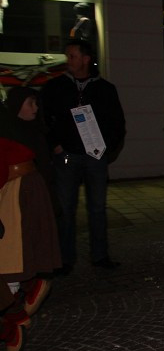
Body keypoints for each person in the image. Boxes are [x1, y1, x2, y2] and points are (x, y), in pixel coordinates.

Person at [42, 39, 126, 273]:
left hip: (94, 156)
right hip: (66, 155)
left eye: (73, 56)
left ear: (86, 59)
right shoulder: (55, 87)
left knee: (97, 208)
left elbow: (117, 123)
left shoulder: (105, 89)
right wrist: (56, 145)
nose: (68, 60)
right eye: (67, 56)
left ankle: (100, 256)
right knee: (66, 209)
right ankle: (65, 259)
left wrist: (106, 149)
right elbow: (45, 119)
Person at [1, 87, 62, 351]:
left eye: (36, 103)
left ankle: (16, 307)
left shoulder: (32, 132)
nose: (35, 108)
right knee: (15, 254)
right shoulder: (10, 128)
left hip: (22, 193)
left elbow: (45, 169)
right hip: (11, 192)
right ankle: (19, 301)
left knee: (15, 254)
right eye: (30, 103)